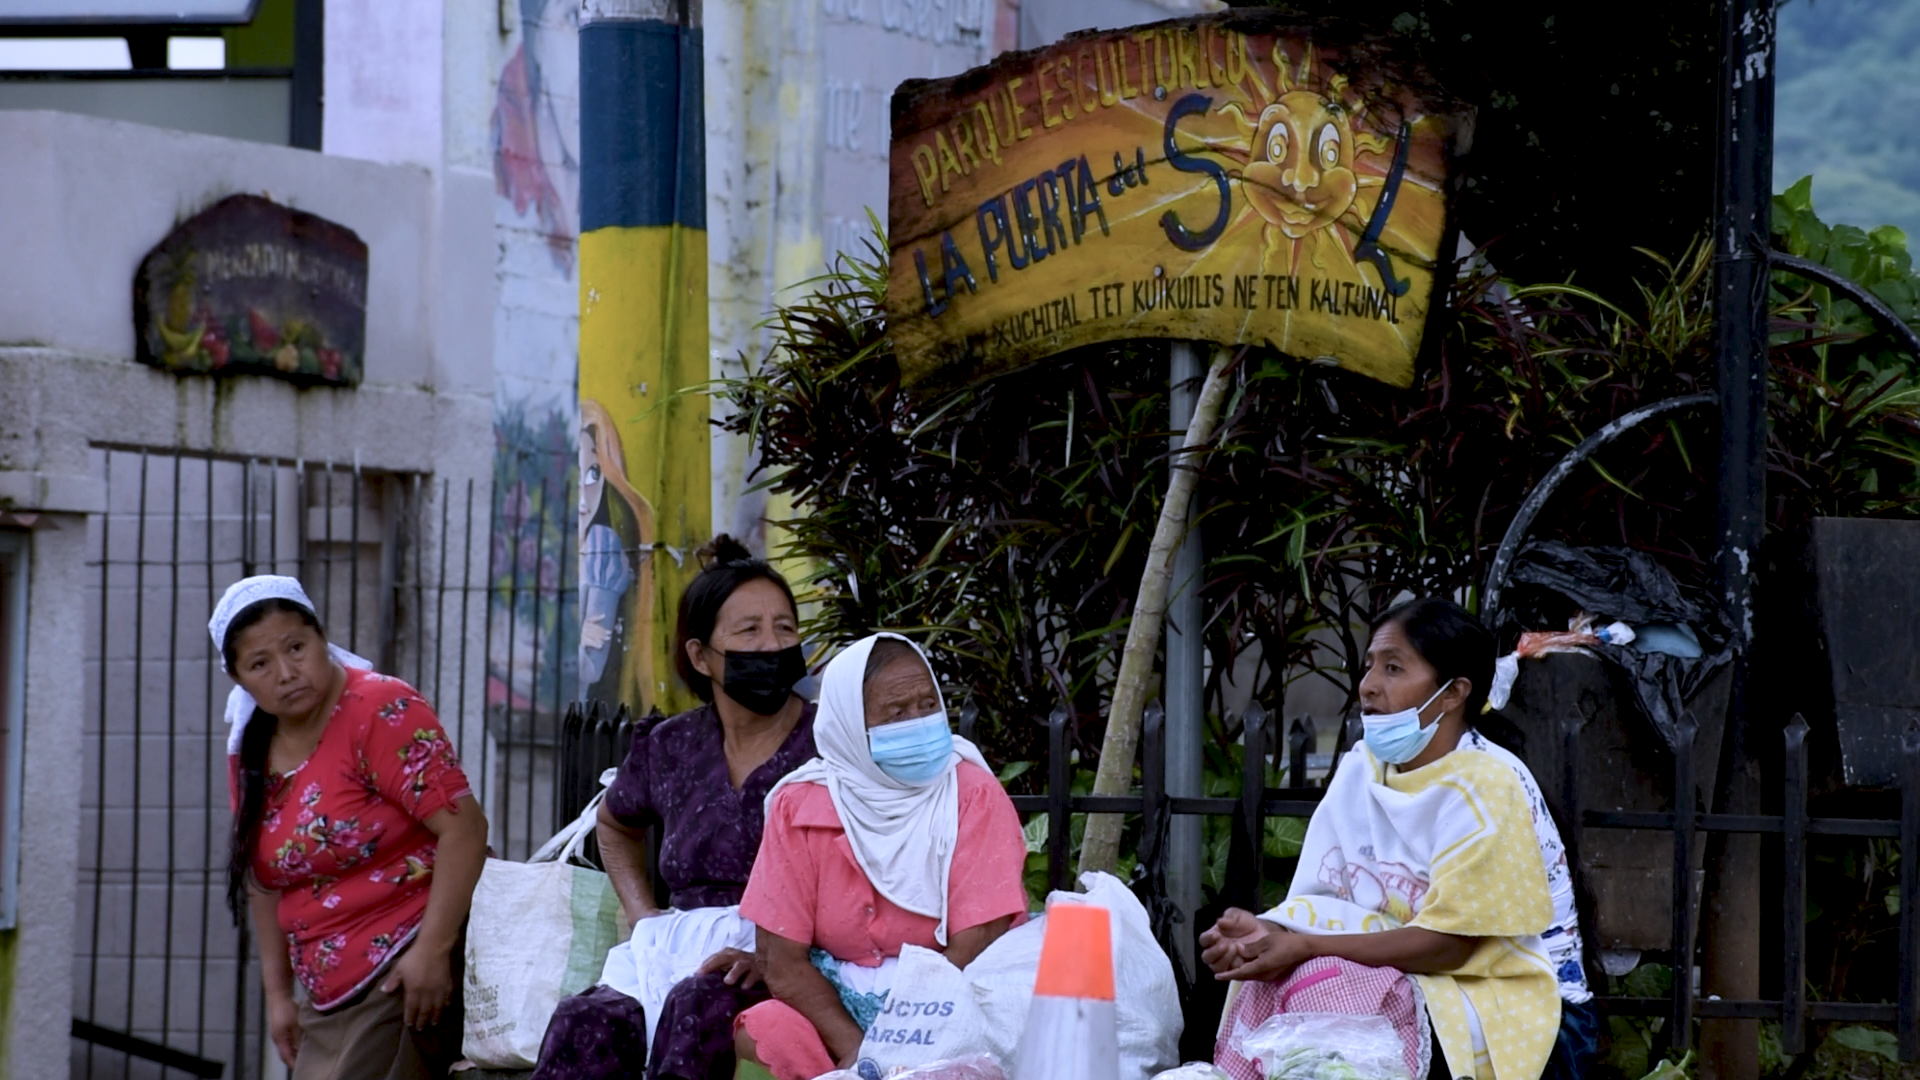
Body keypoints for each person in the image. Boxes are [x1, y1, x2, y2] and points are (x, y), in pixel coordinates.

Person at [1202, 598, 1599, 1080]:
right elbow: (1326, 906)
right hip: (1415, 983)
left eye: (1393, 668)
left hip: (1526, 1013)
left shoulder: (1488, 785)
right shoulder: (1362, 772)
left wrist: (1307, 947)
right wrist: (1270, 937)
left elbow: (1452, 947)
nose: (1368, 685)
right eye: (1369, 666)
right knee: (1291, 978)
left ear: (1453, 693)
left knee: (1326, 982)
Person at [533, 535, 818, 1080]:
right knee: (583, 1019)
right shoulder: (671, 745)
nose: (773, 644)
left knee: (698, 1009)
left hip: (787, 956)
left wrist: (777, 959)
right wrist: (643, 914)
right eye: (749, 630)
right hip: (674, 948)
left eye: (785, 627)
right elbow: (615, 823)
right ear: (700, 656)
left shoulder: (827, 742)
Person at [214, 575, 488, 1080]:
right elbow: (263, 878)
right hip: (325, 990)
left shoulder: (379, 709)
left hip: (406, 964)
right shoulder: (251, 748)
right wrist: (278, 997)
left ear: (321, 638)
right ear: (238, 679)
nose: (286, 673)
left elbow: (465, 830)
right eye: (260, 664)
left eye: (296, 647)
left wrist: (432, 950)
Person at [733, 633, 1030, 1080]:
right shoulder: (800, 806)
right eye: (897, 712)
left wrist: (895, 1044)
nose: (919, 721)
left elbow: (977, 942)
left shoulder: (971, 794)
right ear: (851, 725)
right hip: (838, 1009)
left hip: (952, 1001)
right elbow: (780, 956)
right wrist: (858, 1051)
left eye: (928, 705)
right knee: (766, 1030)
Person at [579, 397, 656, 709]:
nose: (583, 496)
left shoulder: (602, 548)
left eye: (593, 473)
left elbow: (590, 666)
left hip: (590, 716)